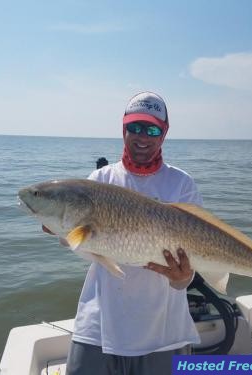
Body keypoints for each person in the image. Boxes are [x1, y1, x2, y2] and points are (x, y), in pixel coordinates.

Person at [61, 92, 203, 375]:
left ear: (163, 134)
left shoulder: (181, 184)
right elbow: (86, 249)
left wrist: (182, 278)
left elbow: (192, 263)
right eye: (135, 128)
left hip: (164, 332)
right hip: (99, 327)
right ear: (123, 129)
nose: (142, 136)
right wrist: (59, 228)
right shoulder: (100, 181)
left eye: (152, 129)